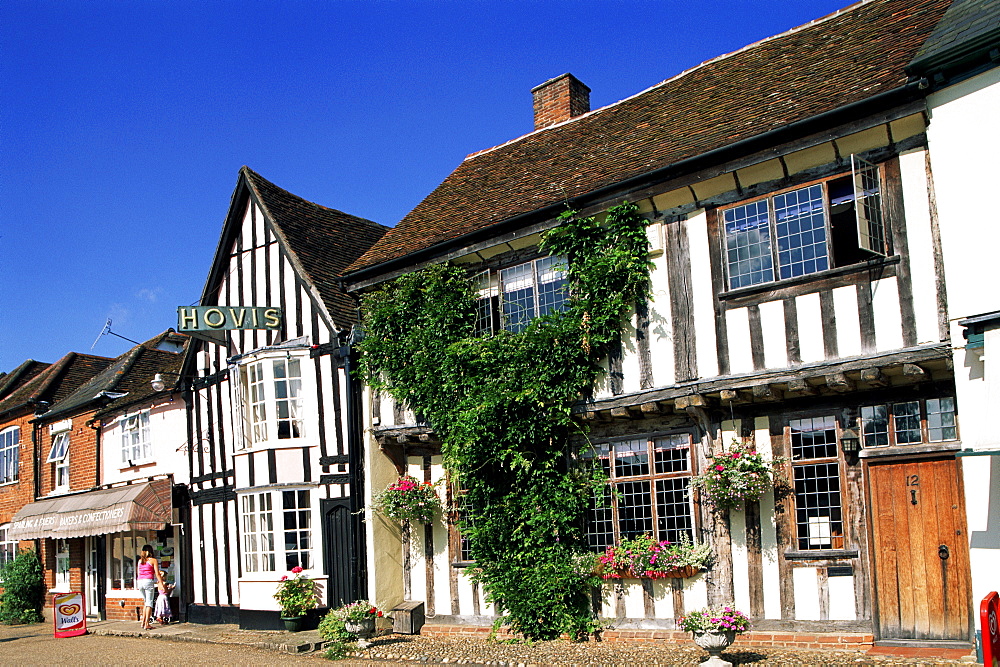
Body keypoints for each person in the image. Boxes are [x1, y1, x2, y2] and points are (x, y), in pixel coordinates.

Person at [136, 545, 166, 630]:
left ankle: (143, 622)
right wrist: (160, 583)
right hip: (148, 581)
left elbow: (138, 573)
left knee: (146, 602)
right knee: (149, 603)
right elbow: (157, 573)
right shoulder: (153, 560)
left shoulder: (140, 561)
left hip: (140, 581)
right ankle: (147, 624)